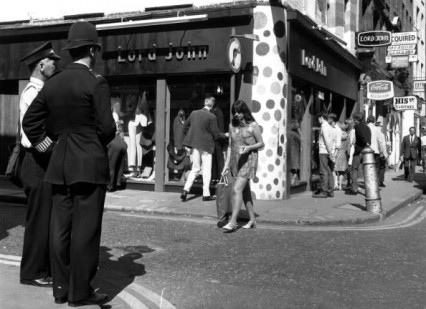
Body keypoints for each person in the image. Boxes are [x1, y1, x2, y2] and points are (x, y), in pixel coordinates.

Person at [22, 22, 116, 306]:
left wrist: (48, 144)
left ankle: (61, 289)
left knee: (60, 230)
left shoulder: (53, 83)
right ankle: (80, 292)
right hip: (88, 165)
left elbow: (30, 122)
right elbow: (107, 129)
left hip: (59, 164)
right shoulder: (95, 81)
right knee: (85, 232)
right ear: (92, 50)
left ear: (71, 50)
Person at [18, 42, 61, 288]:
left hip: (40, 162)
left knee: (46, 218)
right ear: (41, 64)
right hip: (36, 162)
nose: (56, 64)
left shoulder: (40, 90)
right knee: (38, 220)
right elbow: (33, 132)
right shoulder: (33, 93)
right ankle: (32, 272)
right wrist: (53, 151)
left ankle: (42, 268)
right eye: (52, 61)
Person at [221, 100, 264, 232]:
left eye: (239, 111)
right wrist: (226, 165)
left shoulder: (253, 125)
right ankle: (252, 220)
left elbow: (261, 144)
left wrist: (249, 147)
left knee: (236, 190)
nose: (237, 114)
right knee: (245, 192)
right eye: (234, 112)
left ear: (244, 111)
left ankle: (232, 222)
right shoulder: (231, 126)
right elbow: (230, 146)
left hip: (249, 160)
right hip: (236, 161)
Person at [180, 95, 228, 202]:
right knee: (206, 170)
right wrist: (226, 135)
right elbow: (217, 135)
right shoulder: (212, 117)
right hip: (207, 146)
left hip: (195, 145)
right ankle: (206, 194)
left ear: (204, 102)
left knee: (195, 169)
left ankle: (185, 190)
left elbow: (184, 127)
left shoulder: (194, 113)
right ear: (213, 105)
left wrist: (192, 135)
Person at [347, 112, 371, 195]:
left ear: (356, 119)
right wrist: (368, 144)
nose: (353, 120)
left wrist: (365, 142)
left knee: (354, 169)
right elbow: (369, 138)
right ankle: (369, 190)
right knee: (367, 170)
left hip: (359, 150)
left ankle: (354, 189)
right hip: (367, 151)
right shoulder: (367, 127)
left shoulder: (357, 126)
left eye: (354, 119)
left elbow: (361, 135)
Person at [312, 111, 335, 198]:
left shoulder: (324, 126)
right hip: (328, 151)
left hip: (324, 151)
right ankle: (330, 190)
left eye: (318, 118)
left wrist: (329, 151)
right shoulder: (329, 126)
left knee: (323, 171)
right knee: (329, 171)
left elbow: (327, 140)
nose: (318, 120)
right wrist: (331, 152)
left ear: (321, 117)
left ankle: (324, 191)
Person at [107, 103, 127, 192]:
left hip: (114, 142)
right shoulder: (116, 118)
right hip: (122, 143)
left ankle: (109, 186)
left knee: (110, 165)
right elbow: (121, 132)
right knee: (118, 165)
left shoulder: (109, 118)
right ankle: (117, 184)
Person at [366, 116, 387, 187]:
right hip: (375, 151)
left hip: (366, 151)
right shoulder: (376, 129)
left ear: (367, 120)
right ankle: (374, 181)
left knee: (367, 166)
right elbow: (380, 142)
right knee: (376, 166)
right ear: (374, 121)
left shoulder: (365, 128)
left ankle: (368, 182)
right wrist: (382, 152)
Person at [211, 98, 226, 183]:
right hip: (216, 138)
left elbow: (220, 126)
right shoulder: (216, 111)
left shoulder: (217, 112)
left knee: (218, 159)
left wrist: (221, 137)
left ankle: (219, 177)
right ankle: (215, 177)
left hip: (217, 138)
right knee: (215, 159)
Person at [333, 121, 348, 191]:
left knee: (335, 169)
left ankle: (335, 184)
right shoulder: (346, 134)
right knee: (342, 171)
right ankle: (340, 186)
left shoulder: (337, 134)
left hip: (337, 152)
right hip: (343, 154)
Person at [328, 114, 342, 191]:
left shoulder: (336, 129)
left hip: (333, 151)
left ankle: (334, 184)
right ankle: (334, 184)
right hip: (331, 150)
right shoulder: (334, 128)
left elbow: (338, 143)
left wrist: (335, 154)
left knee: (332, 168)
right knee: (333, 168)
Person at [375, 121, 389, 187]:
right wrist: (385, 154)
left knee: (378, 167)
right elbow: (382, 145)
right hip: (380, 153)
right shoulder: (381, 134)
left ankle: (378, 181)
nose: (381, 127)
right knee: (381, 167)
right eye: (381, 126)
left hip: (375, 152)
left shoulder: (373, 132)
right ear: (378, 126)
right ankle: (380, 181)